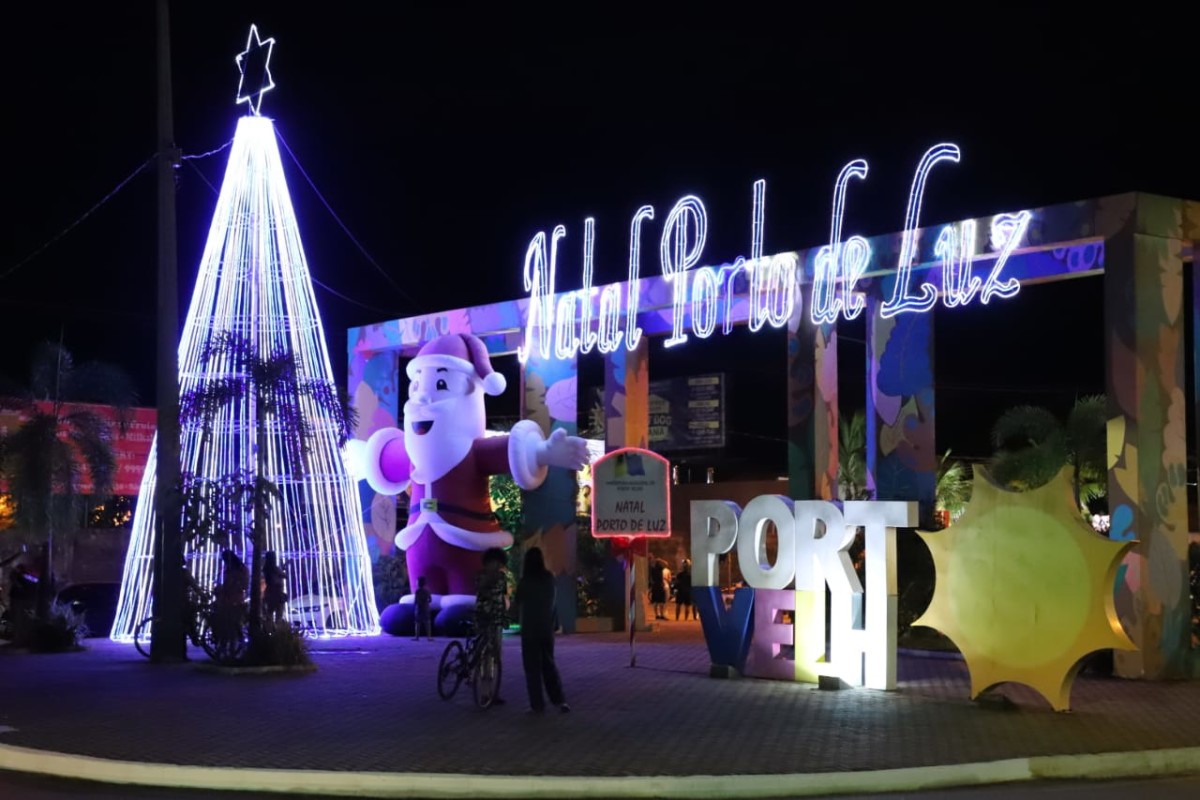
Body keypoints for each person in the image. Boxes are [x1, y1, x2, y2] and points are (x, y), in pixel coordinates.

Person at [515, 547, 568, 714]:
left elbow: (517, 602)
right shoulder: (549, 579)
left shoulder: (525, 582)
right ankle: (559, 700)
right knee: (549, 665)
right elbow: (553, 604)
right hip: (546, 629)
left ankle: (537, 705)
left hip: (530, 630)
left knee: (532, 669)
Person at [474, 546, 508, 703]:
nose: (495, 566)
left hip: (497, 619)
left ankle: (494, 692)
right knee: (483, 656)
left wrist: (505, 616)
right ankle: (484, 692)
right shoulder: (481, 575)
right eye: (493, 562)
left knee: (495, 656)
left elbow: (502, 596)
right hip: (483, 618)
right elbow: (481, 588)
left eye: (498, 563)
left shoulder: (502, 577)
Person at [262, 551, 287, 625]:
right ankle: (277, 632)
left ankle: (269, 630)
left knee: (269, 613)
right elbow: (284, 576)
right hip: (277, 593)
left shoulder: (266, 568)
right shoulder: (274, 568)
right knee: (278, 614)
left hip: (269, 593)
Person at [413, 576, 433, 641]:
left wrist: (415, 605)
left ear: (418, 583)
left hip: (419, 608)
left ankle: (417, 637)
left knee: (417, 623)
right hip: (426, 608)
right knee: (427, 623)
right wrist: (426, 602)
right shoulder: (427, 591)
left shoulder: (417, 591)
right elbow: (430, 600)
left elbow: (415, 601)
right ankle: (429, 637)